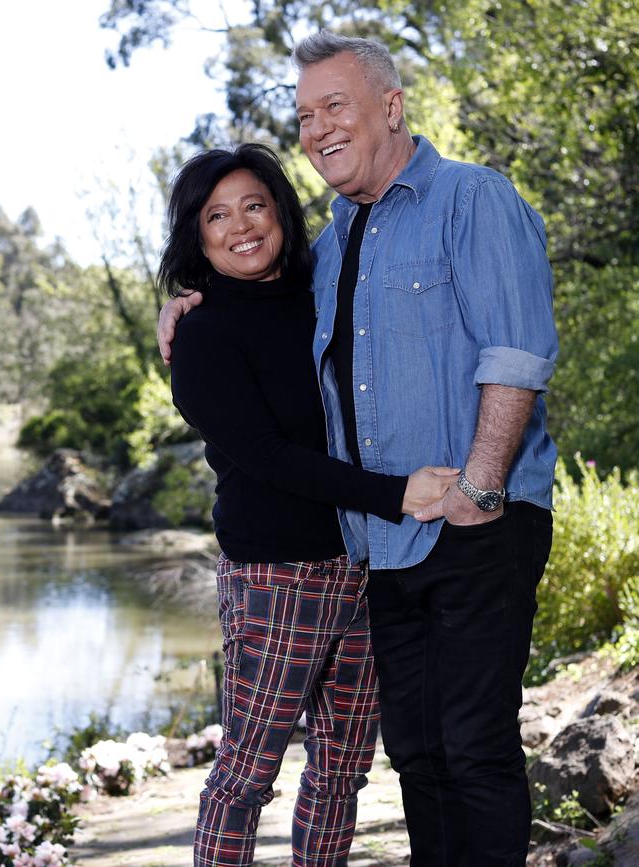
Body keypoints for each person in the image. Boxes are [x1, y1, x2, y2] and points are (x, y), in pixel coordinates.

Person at [158, 32, 559, 867]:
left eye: (334, 105)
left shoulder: (469, 198)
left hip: (472, 523)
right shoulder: (339, 242)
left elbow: (516, 353)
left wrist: (479, 490)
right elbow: (263, 405)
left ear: (391, 105)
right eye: (304, 114)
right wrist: (183, 306)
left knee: (471, 746)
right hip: (372, 549)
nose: (317, 128)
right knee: (413, 753)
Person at [159, 142, 458, 867]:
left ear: (281, 210)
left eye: (254, 205)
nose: (241, 226)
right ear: (197, 238)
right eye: (217, 216)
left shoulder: (324, 290)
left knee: (343, 768)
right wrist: (395, 494)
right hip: (276, 579)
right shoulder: (201, 334)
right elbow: (266, 457)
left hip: (361, 563)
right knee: (246, 775)